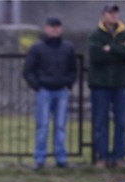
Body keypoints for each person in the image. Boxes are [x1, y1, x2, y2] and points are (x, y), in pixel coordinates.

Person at [23, 16, 77, 170]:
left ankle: (61, 159)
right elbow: (28, 71)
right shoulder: (37, 48)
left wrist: (68, 83)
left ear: (61, 28)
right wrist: (38, 86)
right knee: (43, 126)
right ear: (46, 28)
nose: (55, 29)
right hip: (44, 91)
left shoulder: (68, 48)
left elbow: (73, 69)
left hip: (61, 91)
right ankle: (39, 159)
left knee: (60, 126)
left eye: (57, 26)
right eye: (52, 26)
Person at [88, 3, 125, 169]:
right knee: (101, 122)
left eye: (115, 13)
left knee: (121, 122)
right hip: (100, 84)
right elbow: (96, 56)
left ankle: (119, 157)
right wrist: (119, 51)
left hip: (121, 83)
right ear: (103, 15)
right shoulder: (95, 35)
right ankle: (102, 156)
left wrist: (110, 49)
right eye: (109, 13)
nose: (113, 15)